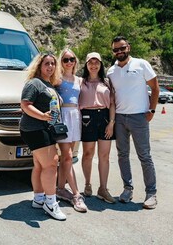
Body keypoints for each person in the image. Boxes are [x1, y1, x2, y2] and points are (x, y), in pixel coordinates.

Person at [106, 36, 158, 209]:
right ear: (112, 51)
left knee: (144, 156)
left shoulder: (141, 64)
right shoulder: (110, 71)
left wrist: (151, 110)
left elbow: (155, 87)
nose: (119, 52)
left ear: (128, 47)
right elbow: (111, 97)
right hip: (120, 118)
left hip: (139, 117)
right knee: (122, 155)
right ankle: (127, 189)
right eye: (116, 49)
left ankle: (151, 193)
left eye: (122, 48)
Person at [19, 53, 66, 221]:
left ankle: (39, 199)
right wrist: (43, 116)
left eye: (53, 63)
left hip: (44, 127)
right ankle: (50, 203)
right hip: (35, 128)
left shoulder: (48, 84)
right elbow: (25, 105)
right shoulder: (34, 83)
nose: (51, 66)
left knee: (39, 165)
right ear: (39, 65)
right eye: (47, 63)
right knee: (52, 164)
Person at [78, 52, 116, 204]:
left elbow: (112, 103)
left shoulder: (107, 82)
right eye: (90, 62)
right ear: (86, 65)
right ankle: (87, 184)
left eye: (96, 62)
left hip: (105, 118)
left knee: (104, 156)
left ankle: (103, 189)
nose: (93, 65)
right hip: (87, 118)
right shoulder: (81, 82)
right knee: (88, 153)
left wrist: (111, 122)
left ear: (100, 65)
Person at [55, 48, 87, 212]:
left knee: (68, 157)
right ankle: (76, 194)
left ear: (75, 61)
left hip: (76, 116)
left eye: (71, 59)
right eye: (65, 59)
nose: (69, 62)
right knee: (66, 157)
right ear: (61, 62)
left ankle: (60, 189)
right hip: (63, 116)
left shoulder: (79, 80)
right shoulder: (57, 79)